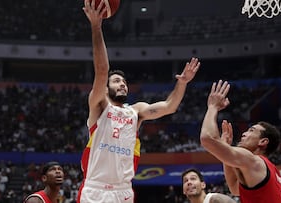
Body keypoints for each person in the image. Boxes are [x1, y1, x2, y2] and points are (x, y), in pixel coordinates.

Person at [78, 0, 200, 202]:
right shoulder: (98, 106)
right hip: (95, 189)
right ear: (106, 88)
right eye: (117, 81)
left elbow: (170, 107)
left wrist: (183, 83)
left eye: (124, 82)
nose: (123, 85)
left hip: (124, 190)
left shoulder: (136, 111)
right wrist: (96, 27)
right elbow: (101, 71)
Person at [199, 80, 281, 203]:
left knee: (213, 199)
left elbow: (207, 139)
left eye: (251, 131)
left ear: (263, 141)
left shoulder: (254, 160)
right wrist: (225, 147)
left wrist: (212, 107)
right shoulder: (270, 170)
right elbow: (235, 188)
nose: (244, 134)